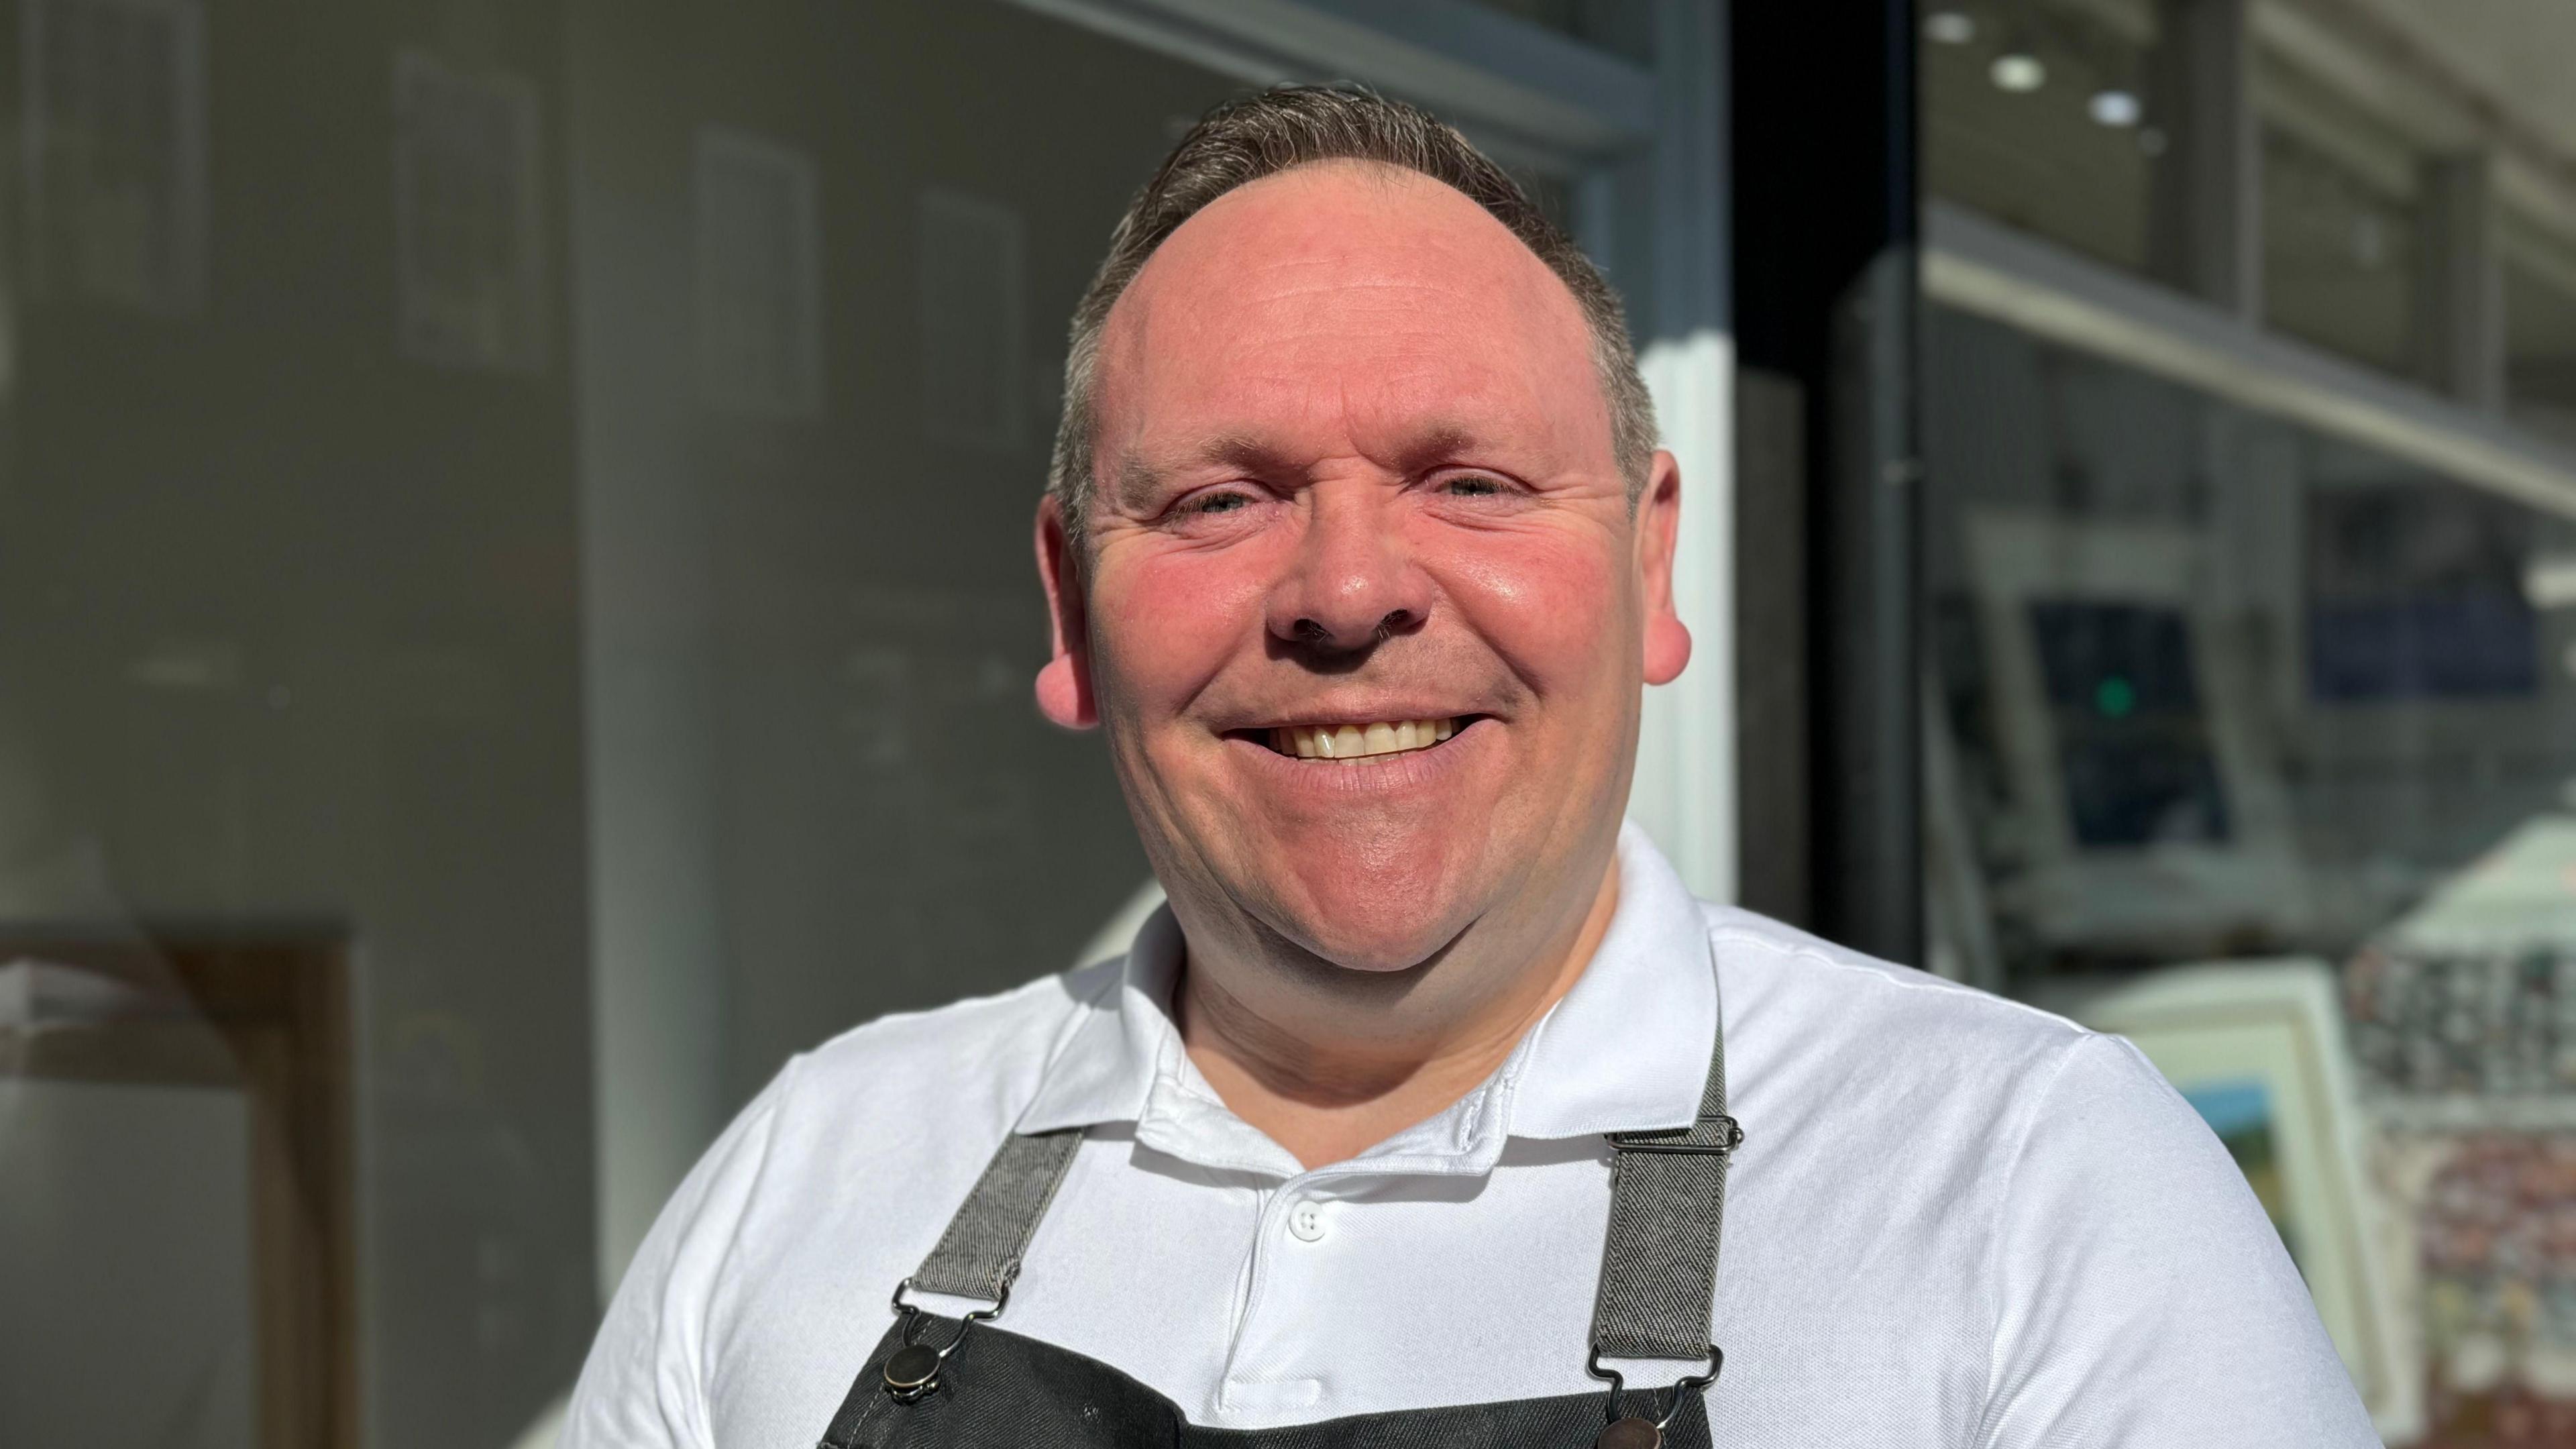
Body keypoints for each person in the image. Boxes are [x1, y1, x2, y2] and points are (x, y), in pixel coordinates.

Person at [564, 87, 2375, 1448]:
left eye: (1474, 482)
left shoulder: (2032, 1190)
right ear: (1069, 603)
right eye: (1220, 499)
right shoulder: (811, 1171)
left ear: (1651, 565)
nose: (1348, 593)